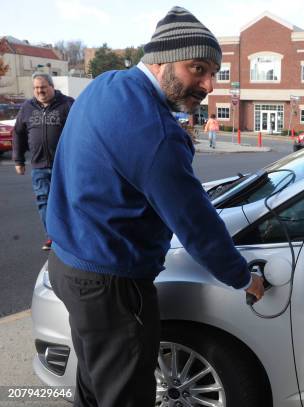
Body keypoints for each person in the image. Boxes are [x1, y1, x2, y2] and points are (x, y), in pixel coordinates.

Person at [45, 7, 264, 407]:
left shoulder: (105, 85)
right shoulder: (157, 133)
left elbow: (73, 164)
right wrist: (243, 278)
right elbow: (196, 225)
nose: (208, 84)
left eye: (213, 73)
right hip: (112, 284)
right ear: (161, 60)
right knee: (125, 396)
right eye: (197, 68)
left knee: (96, 387)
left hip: (69, 263)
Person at [12, 73, 74, 250]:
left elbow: (81, 130)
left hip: (64, 165)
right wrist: (18, 160)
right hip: (39, 165)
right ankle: (52, 237)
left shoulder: (68, 104)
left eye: (43, 87)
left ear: (52, 86)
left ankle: (70, 236)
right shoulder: (27, 108)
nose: (40, 91)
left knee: (68, 200)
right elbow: (18, 133)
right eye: (36, 88)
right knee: (43, 201)